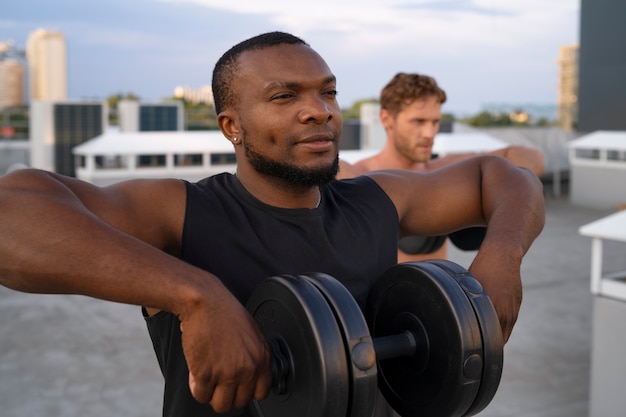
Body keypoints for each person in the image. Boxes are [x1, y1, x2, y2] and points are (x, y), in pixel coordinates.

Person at [0, 32, 545, 417]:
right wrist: (195, 295)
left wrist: (501, 257)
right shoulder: (180, 211)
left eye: (327, 92)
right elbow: (13, 211)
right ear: (231, 126)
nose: (320, 111)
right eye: (285, 96)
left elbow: (499, 177)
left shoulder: (377, 200)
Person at [338, 72, 545, 262]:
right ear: (386, 118)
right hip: (380, 300)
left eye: (435, 122)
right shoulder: (359, 177)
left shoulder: (443, 172)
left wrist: (508, 187)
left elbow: (531, 157)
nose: (429, 133)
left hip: (442, 299)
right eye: (418, 121)